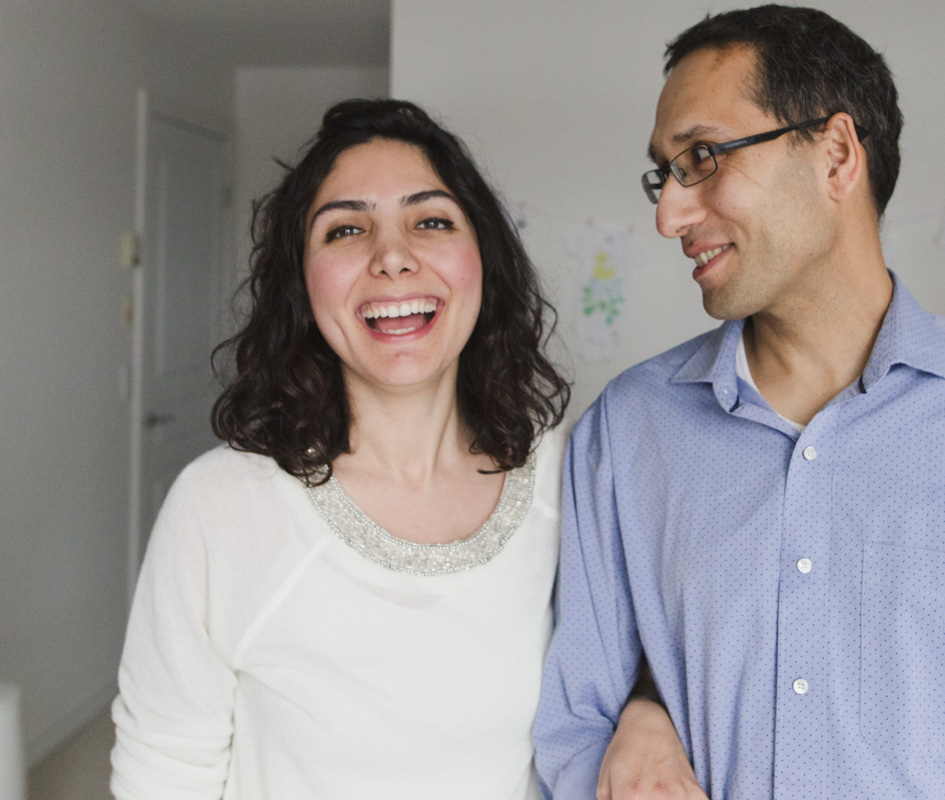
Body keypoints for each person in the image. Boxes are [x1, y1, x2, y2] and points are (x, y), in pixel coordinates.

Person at [534, 6, 945, 799]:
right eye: (662, 174)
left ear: (837, 154)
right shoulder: (623, 436)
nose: (670, 214)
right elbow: (574, 726)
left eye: (702, 157)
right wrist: (646, 703)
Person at [110, 98, 685, 799]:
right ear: (300, 280)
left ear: (485, 261)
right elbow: (163, 775)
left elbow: (656, 642)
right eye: (345, 229)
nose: (391, 257)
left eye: (431, 220)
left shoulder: (567, 478)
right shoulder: (220, 507)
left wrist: (648, 710)